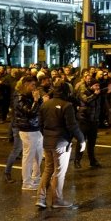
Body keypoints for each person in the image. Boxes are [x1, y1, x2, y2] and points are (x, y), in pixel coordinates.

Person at [36, 81, 86, 209]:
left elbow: (40, 124)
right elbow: (72, 125)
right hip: (62, 141)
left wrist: (47, 135)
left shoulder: (45, 104)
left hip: (48, 141)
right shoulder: (67, 105)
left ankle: (40, 198)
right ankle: (57, 200)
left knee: (48, 169)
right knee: (59, 172)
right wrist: (81, 139)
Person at [14, 75, 47, 190]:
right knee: (28, 157)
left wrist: (40, 100)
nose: (34, 87)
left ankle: (36, 178)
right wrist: (37, 100)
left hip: (36, 129)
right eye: (32, 85)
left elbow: (40, 109)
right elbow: (30, 113)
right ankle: (26, 182)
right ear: (25, 85)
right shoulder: (19, 97)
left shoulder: (30, 96)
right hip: (27, 130)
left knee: (38, 155)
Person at [74, 70, 102, 168]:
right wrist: (95, 95)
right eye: (96, 86)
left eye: (98, 86)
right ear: (91, 86)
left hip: (94, 121)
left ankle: (92, 161)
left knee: (92, 143)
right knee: (82, 141)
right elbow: (86, 100)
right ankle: (77, 160)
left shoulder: (97, 94)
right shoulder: (84, 91)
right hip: (84, 120)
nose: (97, 88)